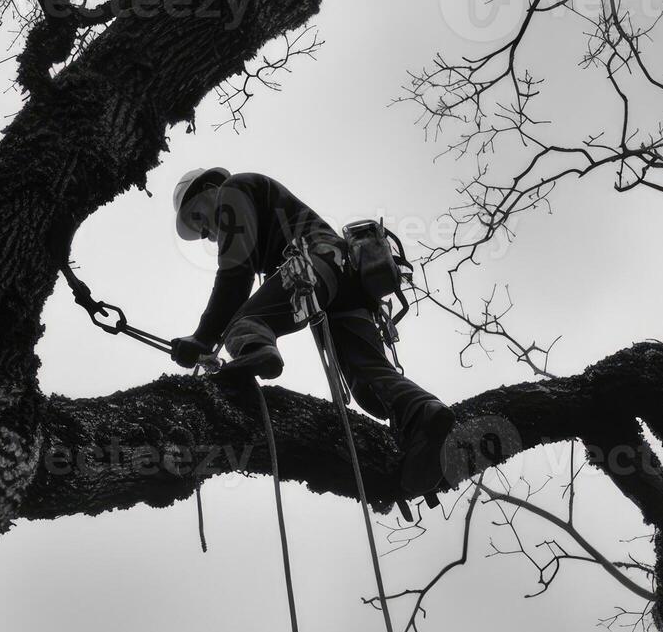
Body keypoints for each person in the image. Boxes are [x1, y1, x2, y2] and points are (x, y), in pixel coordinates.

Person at [168, 167, 456, 497]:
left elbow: (235, 272)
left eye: (196, 217)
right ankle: (424, 419)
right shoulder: (253, 211)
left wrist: (203, 337)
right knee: (369, 387)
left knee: (246, 326)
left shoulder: (233, 190)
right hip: (345, 282)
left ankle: (256, 352)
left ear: (209, 188)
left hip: (316, 262)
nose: (204, 232)